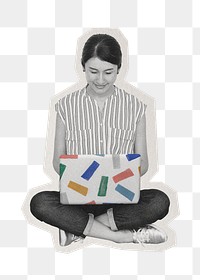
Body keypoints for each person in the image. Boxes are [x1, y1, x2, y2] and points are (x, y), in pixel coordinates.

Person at [30, 33, 170, 245]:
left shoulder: (136, 107)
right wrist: (83, 177)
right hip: (78, 198)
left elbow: (143, 163)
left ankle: (78, 229)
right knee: (39, 203)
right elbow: (58, 161)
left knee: (160, 201)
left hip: (120, 199)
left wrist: (116, 176)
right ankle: (120, 236)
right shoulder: (66, 105)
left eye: (108, 72)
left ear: (118, 69)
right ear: (83, 67)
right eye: (93, 71)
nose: (100, 80)